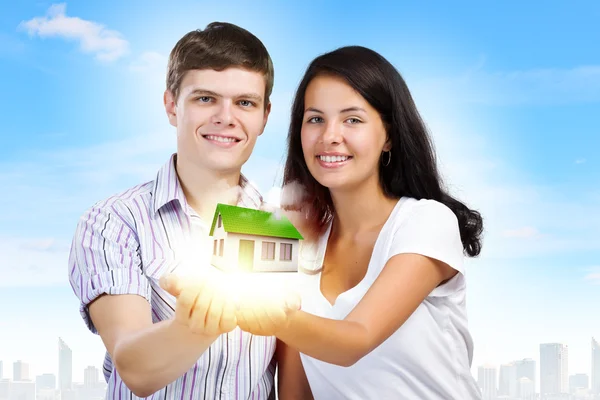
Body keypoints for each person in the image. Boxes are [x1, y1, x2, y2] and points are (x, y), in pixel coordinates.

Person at [231, 45, 485, 399]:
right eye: (315, 118)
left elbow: (356, 338)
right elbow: (295, 390)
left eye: (352, 119)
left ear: (390, 136)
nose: (330, 135)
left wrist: (268, 314)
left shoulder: (425, 221)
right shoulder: (295, 240)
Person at [68, 22, 279, 399]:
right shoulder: (114, 222)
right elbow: (135, 368)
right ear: (171, 105)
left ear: (264, 115)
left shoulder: (277, 227)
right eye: (205, 99)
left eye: (245, 103)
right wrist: (207, 316)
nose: (226, 117)